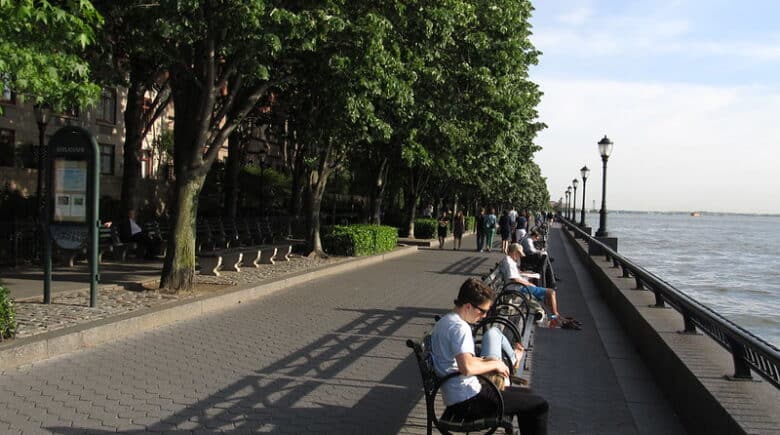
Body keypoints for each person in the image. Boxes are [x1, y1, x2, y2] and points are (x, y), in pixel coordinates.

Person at [430, 278, 549, 435]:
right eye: (483, 311)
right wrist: (495, 365)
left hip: (459, 396)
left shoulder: (446, 321)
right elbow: (467, 368)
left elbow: (460, 362)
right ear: (468, 306)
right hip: (468, 402)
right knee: (539, 405)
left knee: (529, 396)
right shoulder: (460, 328)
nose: (485, 316)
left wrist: (488, 360)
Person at [500, 243, 578, 329]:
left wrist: (528, 274)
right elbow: (514, 279)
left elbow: (516, 275)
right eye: (518, 254)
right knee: (551, 292)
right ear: (515, 252)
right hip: (518, 289)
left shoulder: (509, 261)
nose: (519, 257)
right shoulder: (508, 262)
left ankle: (554, 318)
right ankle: (555, 317)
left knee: (547, 295)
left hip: (518, 287)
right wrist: (528, 283)